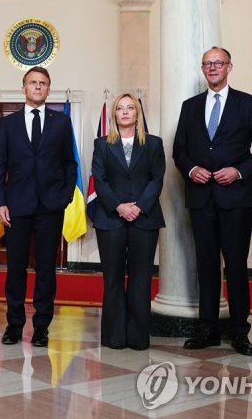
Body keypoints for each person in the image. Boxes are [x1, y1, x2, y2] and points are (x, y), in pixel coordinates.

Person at [173, 46, 252, 356]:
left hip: (236, 199)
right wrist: (191, 169)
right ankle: (208, 329)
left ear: (230, 66)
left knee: (237, 266)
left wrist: (239, 172)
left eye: (218, 63)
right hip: (201, 198)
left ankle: (240, 332)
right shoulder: (190, 106)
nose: (213, 68)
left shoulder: (248, 104)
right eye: (207, 63)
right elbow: (179, 151)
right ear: (203, 69)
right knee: (205, 265)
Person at [0, 66, 77, 347]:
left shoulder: (61, 122)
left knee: (45, 269)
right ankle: (14, 325)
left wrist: (65, 196)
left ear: (48, 89)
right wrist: (0, 202)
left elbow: (70, 163)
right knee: (15, 269)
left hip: (50, 207)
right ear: (24, 89)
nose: (38, 87)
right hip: (16, 206)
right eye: (32, 82)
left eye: (42, 83)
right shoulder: (8, 124)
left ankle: (42, 326)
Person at [91, 93, 165, 350]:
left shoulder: (154, 144)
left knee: (140, 279)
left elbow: (157, 179)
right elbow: (99, 180)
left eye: (130, 108)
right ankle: (114, 337)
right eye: (120, 108)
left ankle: (137, 338)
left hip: (145, 219)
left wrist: (139, 207)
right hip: (111, 219)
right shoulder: (102, 144)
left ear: (137, 113)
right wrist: (120, 207)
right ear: (113, 114)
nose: (125, 112)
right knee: (112, 279)